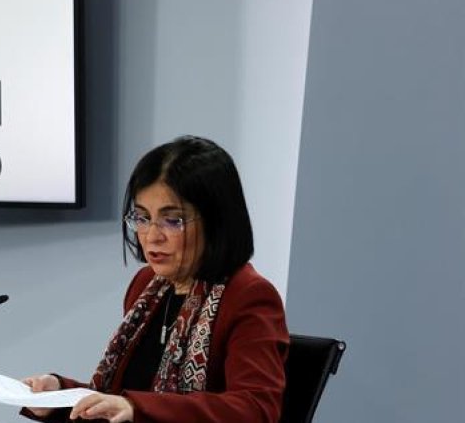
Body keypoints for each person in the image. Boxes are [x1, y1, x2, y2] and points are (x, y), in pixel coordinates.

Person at [22, 136, 288, 423]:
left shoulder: (248, 295)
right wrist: (57, 394)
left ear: (216, 221)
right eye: (142, 218)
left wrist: (138, 408)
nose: (152, 236)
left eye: (172, 220)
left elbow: (256, 409)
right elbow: (122, 401)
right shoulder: (147, 285)